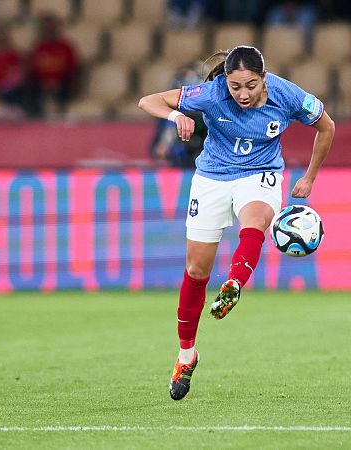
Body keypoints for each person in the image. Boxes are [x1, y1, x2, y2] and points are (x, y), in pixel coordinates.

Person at [137, 45, 335, 400]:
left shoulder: (288, 95)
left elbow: (327, 126)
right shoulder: (210, 93)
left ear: (264, 78)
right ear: (225, 81)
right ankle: (186, 356)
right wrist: (174, 117)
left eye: (251, 85)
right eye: (235, 86)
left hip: (261, 174)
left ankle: (234, 283)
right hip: (212, 177)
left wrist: (309, 178)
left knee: (256, 220)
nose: (243, 94)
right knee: (196, 271)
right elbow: (148, 100)